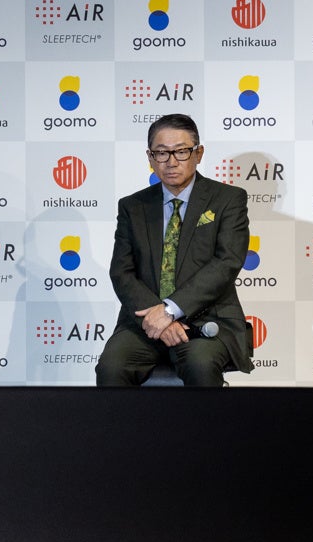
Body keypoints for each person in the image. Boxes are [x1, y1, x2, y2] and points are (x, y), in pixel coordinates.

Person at [95, 113, 252, 387]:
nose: (171, 162)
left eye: (181, 151)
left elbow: (226, 263)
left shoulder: (228, 199)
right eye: (161, 153)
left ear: (198, 154)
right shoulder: (133, 206)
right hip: (144, 323)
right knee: (111, 367)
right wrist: (157, 317)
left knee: (200, 364)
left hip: (207, 320)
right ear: (150, 157)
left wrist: (170, 311)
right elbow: (122, 271)